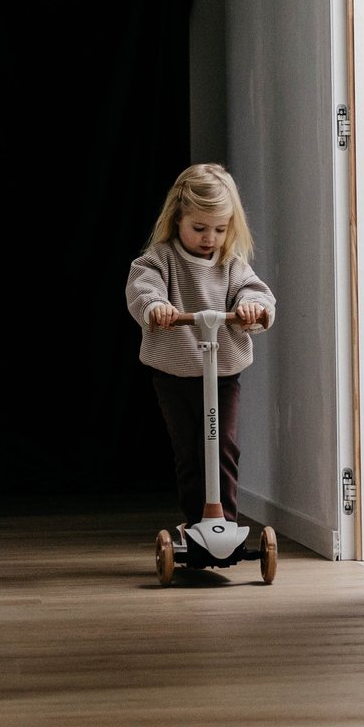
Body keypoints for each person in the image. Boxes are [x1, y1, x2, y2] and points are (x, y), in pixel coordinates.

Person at [125, 163, 275, 526]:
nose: (210, 237)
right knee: (189, 453)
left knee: (223, 448)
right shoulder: (162, 260)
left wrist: (251, 308)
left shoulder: (231, 265)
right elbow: (141, 288)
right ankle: (197, 524)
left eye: (220, 229)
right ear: (178, 219)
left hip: (222, 375)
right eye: (199, 228)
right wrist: (156, 307)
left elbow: (256, 294)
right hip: (174, 374)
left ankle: (224, 523)